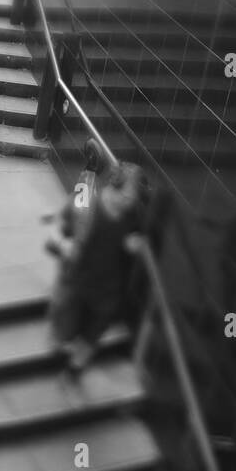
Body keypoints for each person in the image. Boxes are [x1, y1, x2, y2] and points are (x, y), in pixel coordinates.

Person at [46, 159, 150, 376]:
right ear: (114, 186)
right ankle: (60, 346)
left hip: (108, 290)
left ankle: (76, 366)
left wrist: (135, 245)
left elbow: (139, 239)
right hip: (76, 283)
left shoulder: (133, 216)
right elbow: (57, 230)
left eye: (133, 199)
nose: (129, 203)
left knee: (94, 332)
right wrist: (65, 245)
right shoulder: (85, 204)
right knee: (65, 327)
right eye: (127, 197)